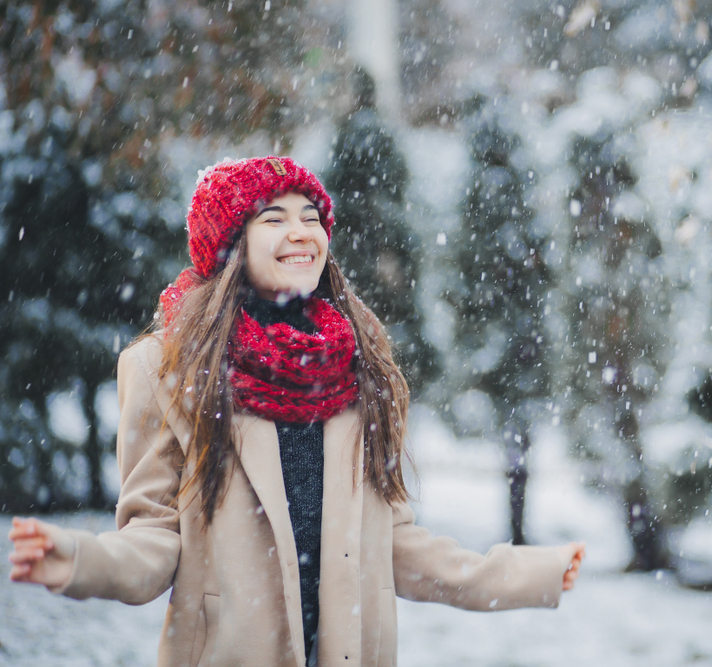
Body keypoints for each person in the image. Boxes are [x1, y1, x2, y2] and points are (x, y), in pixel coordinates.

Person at [7, 156, 585, 667]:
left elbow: (397, 546)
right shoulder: (167, 369)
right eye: (274, 217)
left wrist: (523, 576)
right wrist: (78, 560)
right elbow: (154, 541)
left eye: (311, 216)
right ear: (230, 245)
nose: (301, 231)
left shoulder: (361, 365)